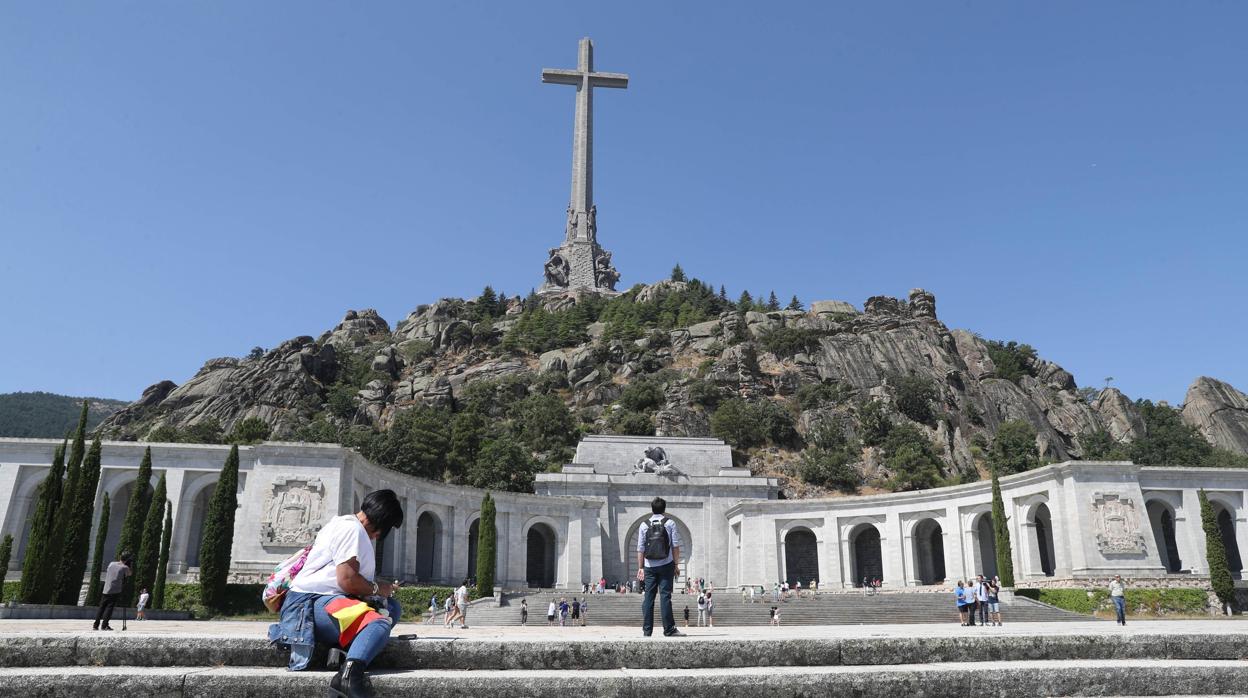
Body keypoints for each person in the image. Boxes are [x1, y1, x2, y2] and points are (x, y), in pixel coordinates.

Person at [272, 489, 404, 698]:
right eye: (385, 529)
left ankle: (342, 649)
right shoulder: (353, 530)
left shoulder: (343, 523)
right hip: (311, 602)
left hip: (323, 599)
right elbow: (347, 580)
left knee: (392, 608)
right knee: (378, 623)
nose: (379, 536)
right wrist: (378, 588)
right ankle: (348, 677)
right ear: (381, 524)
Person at [637, 496, 685, 637]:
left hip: (649, 566)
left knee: (648, 598)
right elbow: (675, 546)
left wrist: (641, 567)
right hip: (666, 564)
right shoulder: (670, 523)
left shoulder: (644, 525)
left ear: (652, 509)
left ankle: (647, 631)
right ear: (664, 509)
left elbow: (640, 548)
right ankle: (669, 629)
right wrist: (676, 564)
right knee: (665, 596)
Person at [93, 551, 133, 631]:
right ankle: (104, 625)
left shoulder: (111, 564)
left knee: (101, 607)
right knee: (109, 608)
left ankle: (95, 625)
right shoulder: (125, 567)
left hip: (106, 589)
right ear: (127, 560)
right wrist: (129, 565)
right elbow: (129, 574)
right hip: (115, 590)